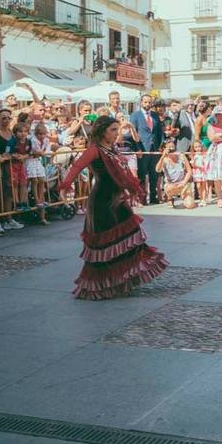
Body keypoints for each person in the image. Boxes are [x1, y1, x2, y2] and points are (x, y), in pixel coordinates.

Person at [60, 116, 168, 300]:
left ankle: (120, 280)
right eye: (113, 130)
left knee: (130, 237)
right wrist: (65, 186)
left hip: (117, 198)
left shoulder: (111, 148)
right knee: (105, 245)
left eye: (117, 130)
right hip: (103, 200)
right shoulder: (95, 149)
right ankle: (101, 285)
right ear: (102, 131)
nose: (117, 133)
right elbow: (77, 166)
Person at [129, 94, 163, 205]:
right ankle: (142, 197)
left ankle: (153, 196)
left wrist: (160, 145)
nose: (147, 104)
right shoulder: (135, 115)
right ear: (141, 103)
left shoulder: (155, 115)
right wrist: (137, 148)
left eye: (149, 102)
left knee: (154, 173)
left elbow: (159, 132)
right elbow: (133, 133)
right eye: (145, 102)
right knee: (142, 174)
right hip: (142, 149)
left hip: (154, 149)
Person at [156, 141, 194, 208]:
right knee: (170, 188)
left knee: (190, 205)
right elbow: (158, 170)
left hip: (183, 184)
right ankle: (170, 198)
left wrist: (183, 182)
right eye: (169, 147)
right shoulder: (164, 159)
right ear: (164, 149)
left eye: (173, 147)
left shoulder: (181, 156)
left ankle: (184, 196)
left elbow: (189, 171)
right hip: (171, 184)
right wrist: (163, 156)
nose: (172, 149)